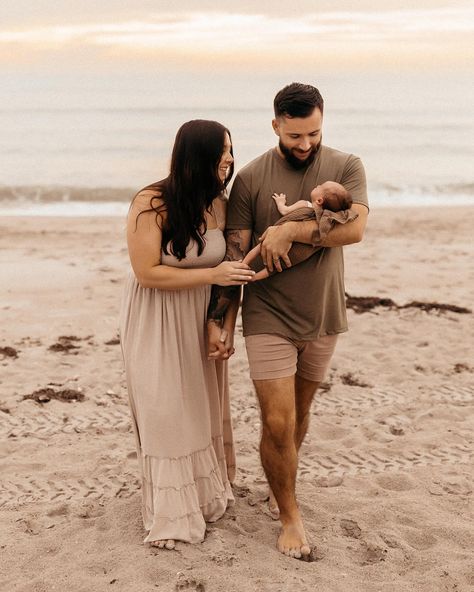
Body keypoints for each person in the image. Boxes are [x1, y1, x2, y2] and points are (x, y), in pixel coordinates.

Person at [207, 83, 369, 560]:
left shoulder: (346, 166)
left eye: (314, 134)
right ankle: (289, 514)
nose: (305, 145)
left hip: (323, 315)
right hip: (267, 317)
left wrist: (288, 229)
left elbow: (355, 228)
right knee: (278, 424)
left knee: (299, 417)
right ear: (275, 124)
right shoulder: (252, 178)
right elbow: (237, 258)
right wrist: (222, 320)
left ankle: (281, 483)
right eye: (295, 135)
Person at [119, 119, 255, 549]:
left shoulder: (220, 201)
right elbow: (147, 271)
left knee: (198, 406)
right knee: (165, 408)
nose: (230, 159)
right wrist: (211, 272)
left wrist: (220, 322)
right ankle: (171, 514)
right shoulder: (150, 202)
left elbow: (228, 274)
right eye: (222, 151)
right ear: (195, 157)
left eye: (231, 150)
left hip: (198, 319)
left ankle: (202, 495)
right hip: (155, 315)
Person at [244, 181, 357, 280]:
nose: (317, 185)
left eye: (320, 187)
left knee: (261, 246)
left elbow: (284, 211)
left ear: (319, 200)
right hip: (301, 247)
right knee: (278, 265)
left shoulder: (305, 204)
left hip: (282, 235)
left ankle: (244, 264)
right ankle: (254, 278)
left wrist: (280, 201)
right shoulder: (329, 220)